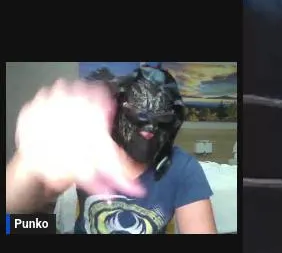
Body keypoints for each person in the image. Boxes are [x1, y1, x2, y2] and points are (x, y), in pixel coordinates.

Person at [6, 67, 217, 234]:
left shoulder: (183, 168)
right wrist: (28, 163)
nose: (150, 129)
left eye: (161, 121)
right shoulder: (88, 150)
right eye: (140, 119)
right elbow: (13, 217)